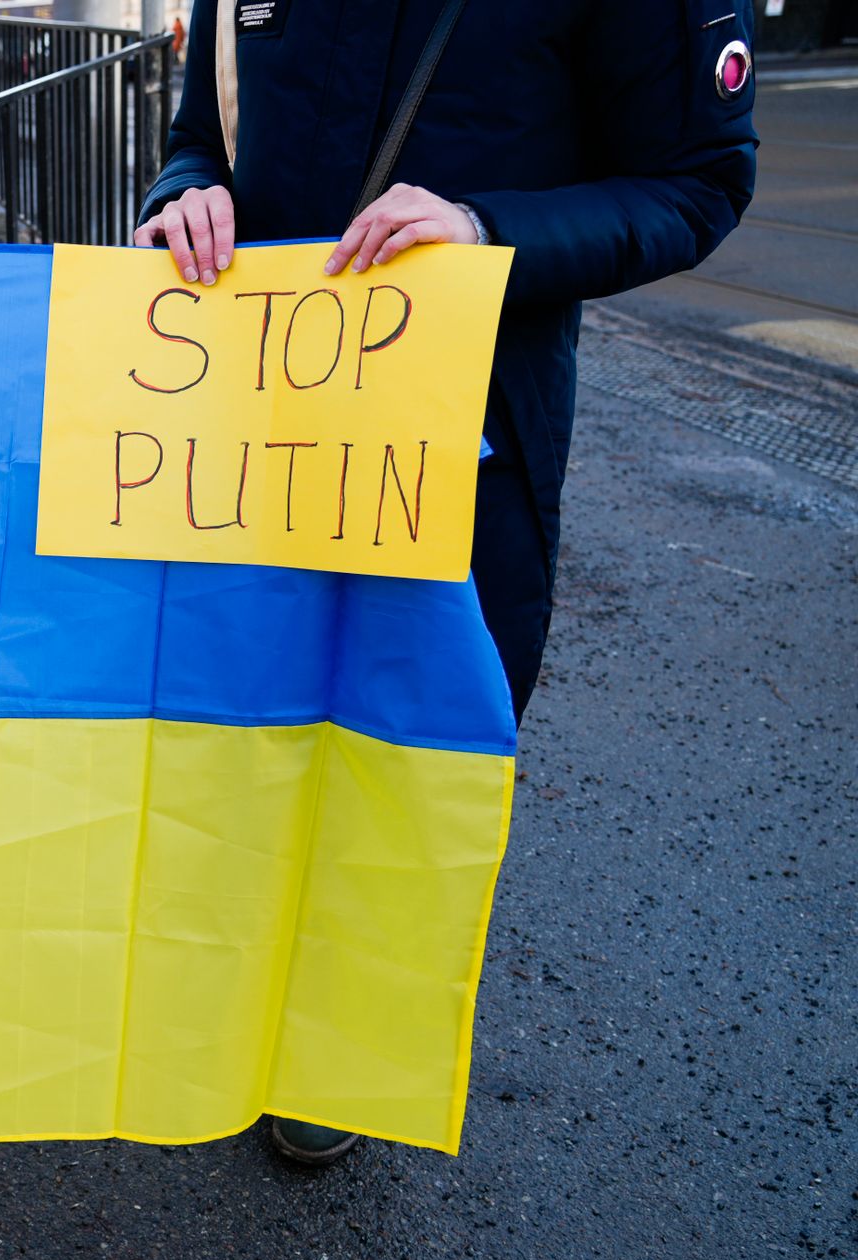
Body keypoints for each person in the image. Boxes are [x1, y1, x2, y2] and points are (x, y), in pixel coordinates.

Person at [134, 0, 756, 1166]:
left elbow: (697, 184)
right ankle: (228, 994)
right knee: (234, 725)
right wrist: (183, 196)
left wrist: (483, 230)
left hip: (462, 454)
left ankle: (336, 1049)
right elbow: (201, 139)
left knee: (398, 759)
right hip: (239, 436)